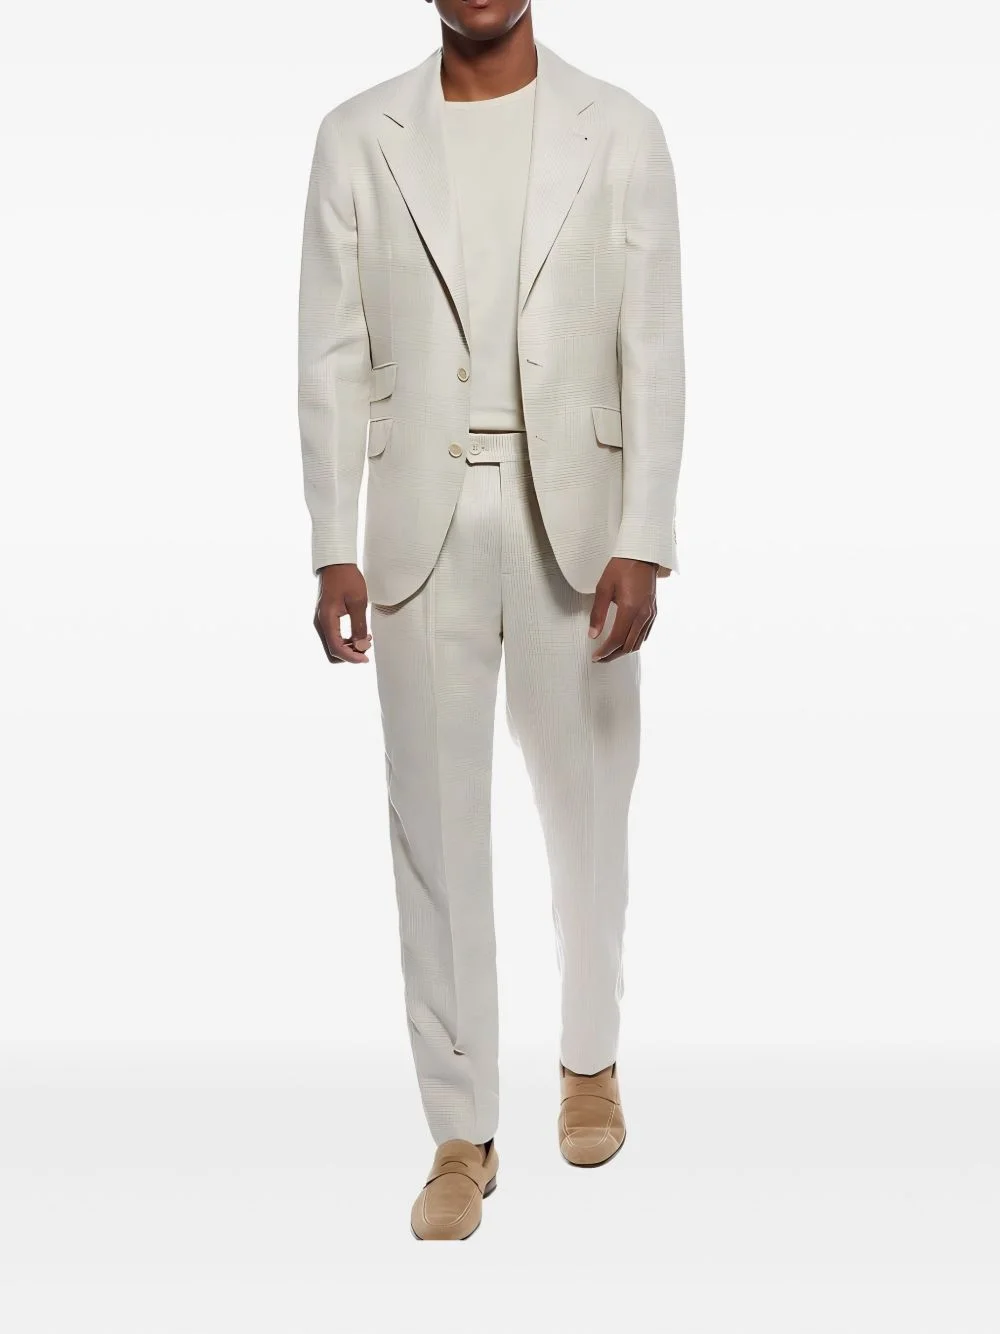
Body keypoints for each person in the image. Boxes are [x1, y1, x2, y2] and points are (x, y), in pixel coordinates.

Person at [297, 0, 685, 1240]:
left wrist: (645, 532)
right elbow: (331, 351)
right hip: (417, 526)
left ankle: (588, 1057)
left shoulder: (620, 129)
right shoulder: (357, 136)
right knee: (434, 830)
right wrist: (331, 539)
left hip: (577, 520)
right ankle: (459, 1132)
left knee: (587, 812)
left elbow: (652, 343)